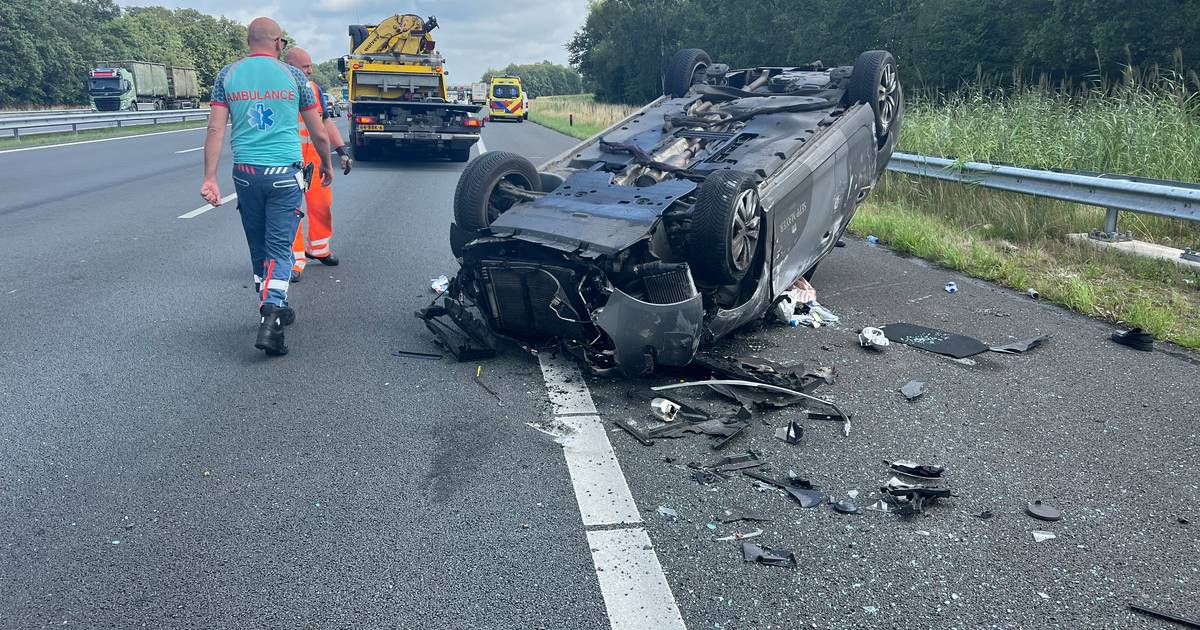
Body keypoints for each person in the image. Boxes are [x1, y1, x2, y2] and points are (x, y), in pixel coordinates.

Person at [199, 17, 334, 356]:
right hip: (284, 175)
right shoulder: (295, 77)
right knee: (280, 247)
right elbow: (318, 132)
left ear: (249, 42)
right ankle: (272, 312)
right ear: (278, 43)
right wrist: (327, 164)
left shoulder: (227, 75)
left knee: (258, 243)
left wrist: (210, 177)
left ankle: (272, 302)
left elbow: (215, 129)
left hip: (245, 174)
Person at [282, 47, 353, 281]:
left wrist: (341, 151)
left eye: (310, 66)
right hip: (289, 160)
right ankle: (294, 261)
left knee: (322, 206)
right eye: (305, 67)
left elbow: (325, 122)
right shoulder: (279, 91)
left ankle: (318, 249)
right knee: (290, 210)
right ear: (290, 66)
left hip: (313, 160)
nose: (310, 71)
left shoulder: (314, 89)